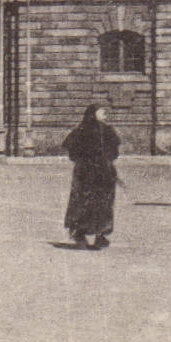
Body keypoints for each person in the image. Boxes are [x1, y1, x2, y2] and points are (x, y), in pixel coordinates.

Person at [63, 104, 119, 249]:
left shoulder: (88, 130)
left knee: (93, 202)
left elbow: (72, 152)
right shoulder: (101, 131)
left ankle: (95, 235)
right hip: (93, 172)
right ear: (93, 114)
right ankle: (84, 234)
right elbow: (114, 152)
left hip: (93, 172)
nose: (105, 115)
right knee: (93, 202)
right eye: (102, 112)